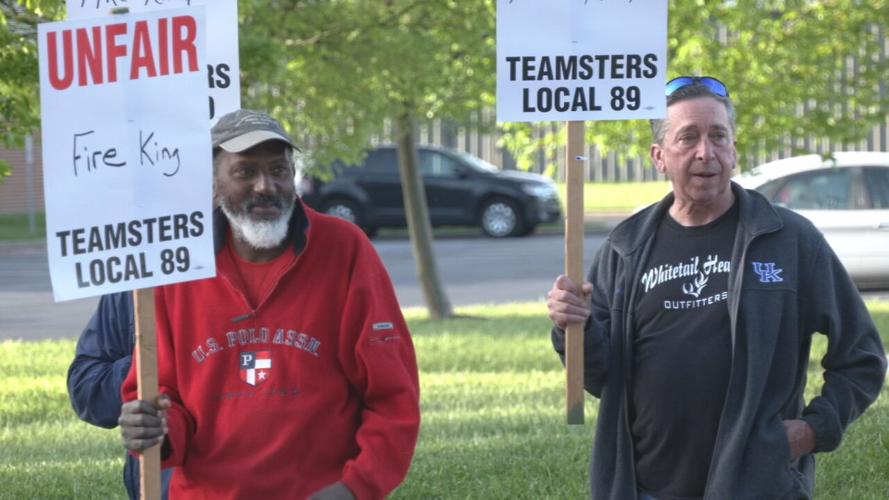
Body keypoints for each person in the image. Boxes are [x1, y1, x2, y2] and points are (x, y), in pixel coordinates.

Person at [546, 76, 887, 500]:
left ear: (734, 150)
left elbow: (863, 356)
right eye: (688, 137)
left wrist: (813, 429)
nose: (705, 151)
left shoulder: (789, 240)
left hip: (758, 485)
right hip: (646, 486)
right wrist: (572, 328)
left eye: (717, 136)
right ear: (659, 157)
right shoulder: (625, 247)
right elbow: (602, 379)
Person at [118, 109, 421, 499]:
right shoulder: (179, 266)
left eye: (279, 170)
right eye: (245, 172)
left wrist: (353, 489)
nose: (266, 186)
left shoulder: (345, 250)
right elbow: (161, 397)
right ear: (213, 182)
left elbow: (393, 396)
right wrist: (153, 429)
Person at [67, 292, 174, 499]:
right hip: (160, 481)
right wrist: (147, 359)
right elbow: (87, 392)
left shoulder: (248, 274)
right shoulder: (136, 285)